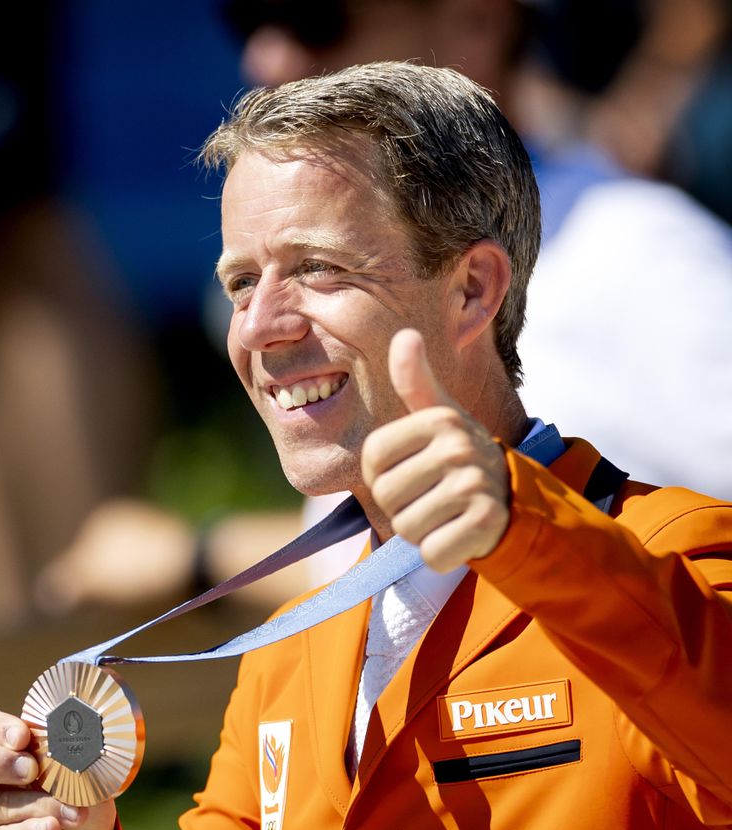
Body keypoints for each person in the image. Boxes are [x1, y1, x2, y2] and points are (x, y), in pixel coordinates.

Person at [0, 62, 732, 830]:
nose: (259, 328)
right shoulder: (297, 647)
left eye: (319, 269)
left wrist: (521, 525)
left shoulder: (676, 550)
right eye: (242, 281)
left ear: (472, 291)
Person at [42, 0, 732, 615]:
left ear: (476, 21)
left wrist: (196, 556)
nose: (268, 57)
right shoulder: (350, 242)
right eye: (246, 17)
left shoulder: (644, 254)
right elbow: (397, 565)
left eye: (318, 20)